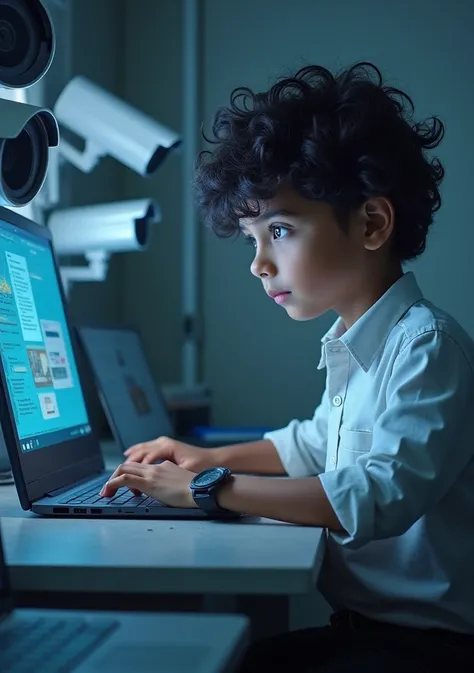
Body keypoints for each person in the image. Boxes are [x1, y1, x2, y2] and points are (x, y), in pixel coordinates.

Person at [100, 63, 474, 671]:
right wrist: (207, 457)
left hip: (427, 649)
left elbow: (380, 493)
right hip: (369, 632)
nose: (259, 264)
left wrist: (206, 492)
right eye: (252, 238)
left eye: (279, 230)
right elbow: (315, 443)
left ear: (373, 223)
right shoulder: (358, 343)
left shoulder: (427, 347)